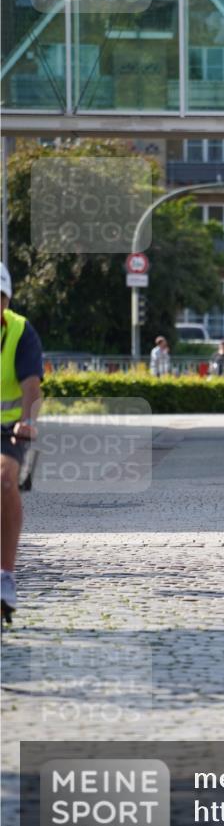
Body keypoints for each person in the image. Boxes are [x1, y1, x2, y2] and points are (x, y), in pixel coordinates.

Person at [1, 264, 43, 625]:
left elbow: (32, 386)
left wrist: (27, 421)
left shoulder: (20, 331)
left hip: (8, 427)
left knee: (5, 479)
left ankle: (6, 577)